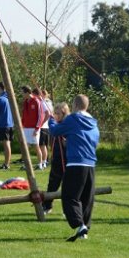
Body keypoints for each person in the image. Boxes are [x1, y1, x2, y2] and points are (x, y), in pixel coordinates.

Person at [49, 94, 99, 242]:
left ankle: (79, 224)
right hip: (90, 165)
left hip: (76, 164)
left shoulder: (73, 118)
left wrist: (51, 120)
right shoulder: (94, 123)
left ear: (75, 106)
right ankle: (84, 230)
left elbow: (55, 131)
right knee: (86, 199)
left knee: (69, 196)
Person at [42, 102, 70, 214]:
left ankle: (68, 210)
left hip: (66, 161)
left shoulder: (65, 125)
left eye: (58, 113)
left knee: (67, 186)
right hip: (56, 160)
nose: (55, 115)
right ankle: (47, 206)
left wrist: (52, 121)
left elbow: (57, 131)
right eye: (55, 113)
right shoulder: (57, 123)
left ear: (64, 114)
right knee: (52, 184)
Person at [21, 86, 45, 170]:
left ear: (27, 93)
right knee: (25, 147)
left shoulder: (36, 101)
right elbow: (23, 114)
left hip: (34, 128)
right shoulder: (25, 102)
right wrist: (22, 124)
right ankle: (26, 165)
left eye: (23, 93)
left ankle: (40, 164)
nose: (22, 94)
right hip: (26, 128)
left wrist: (37, 128)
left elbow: (41, 116)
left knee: (36, 146)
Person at [0, 82, 14, 169]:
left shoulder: (0, 99)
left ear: (0, 88)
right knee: (7, 144)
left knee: (6, 144)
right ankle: (6, 163)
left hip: (4, 124)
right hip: (10, 124)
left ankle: (6, 164)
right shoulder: (10, 98)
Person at [39, 89, 54, 169]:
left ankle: (44, 161)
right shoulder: (50, 102)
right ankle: (46, 160)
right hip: (48, 126)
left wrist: (41, 123)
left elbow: (48, 114)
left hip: (44, 126)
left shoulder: (43, 102)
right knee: (46, 145)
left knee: (42, 145)